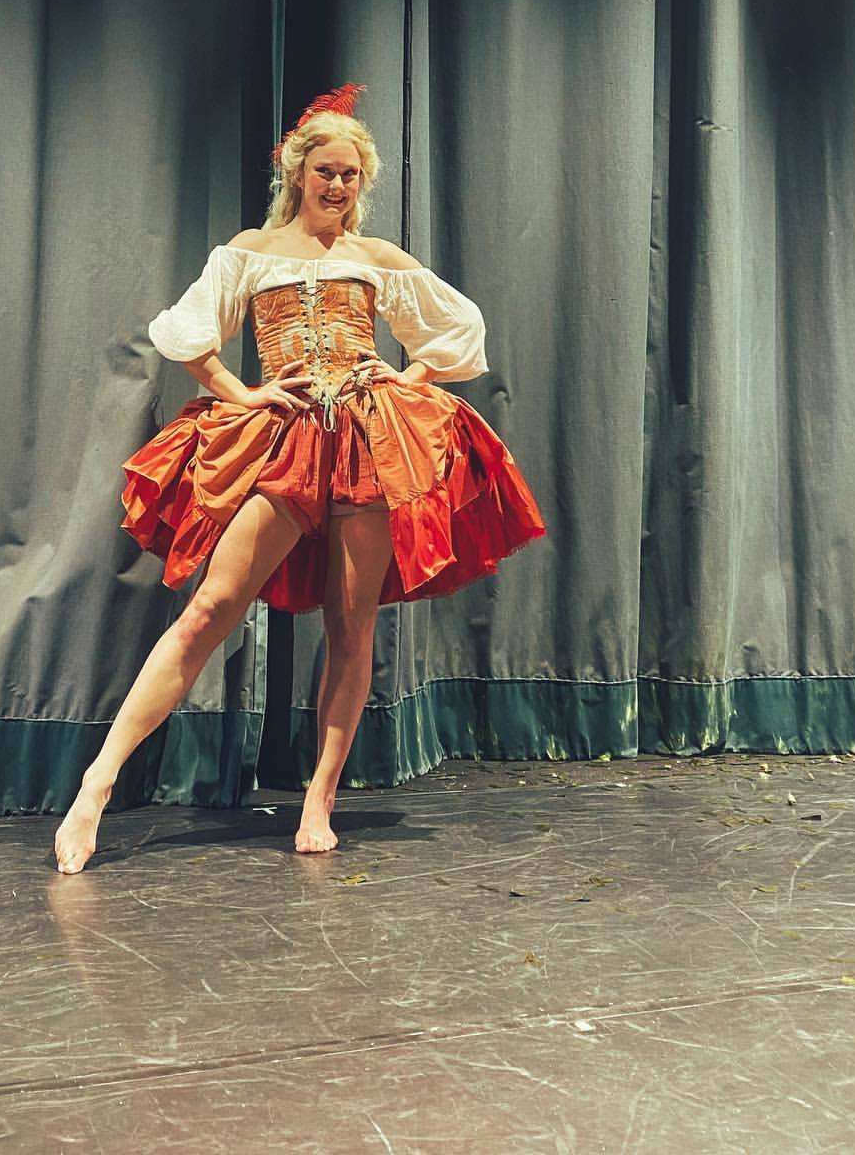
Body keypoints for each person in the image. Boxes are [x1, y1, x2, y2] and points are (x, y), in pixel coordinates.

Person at [54, 85, 545, 873]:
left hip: (367, 439)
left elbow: (459, 328)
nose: (338, 185)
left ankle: (319, 797)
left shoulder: (373, 257)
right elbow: (187, 331)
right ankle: (98, 783)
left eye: (351, 174)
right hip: (285, 442)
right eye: (327, 171)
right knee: (210, 608)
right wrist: (239, 391)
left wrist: (409, 377)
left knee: (351, 627)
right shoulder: (252, 251)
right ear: (297, 170)